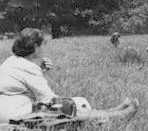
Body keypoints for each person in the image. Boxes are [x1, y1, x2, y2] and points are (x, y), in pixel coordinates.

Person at [0, 28, 138, 125]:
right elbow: (47, 98)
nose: (44, 49)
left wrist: (40, 70)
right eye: (43, 45)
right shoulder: (28, 67)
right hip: (15, 114)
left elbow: (24, 86)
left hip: (8, 110)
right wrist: (67, 103)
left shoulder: (13, 61)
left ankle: (112, 112)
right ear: (35, 46)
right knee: (68, 105)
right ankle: (115, 116)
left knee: (73, 103)